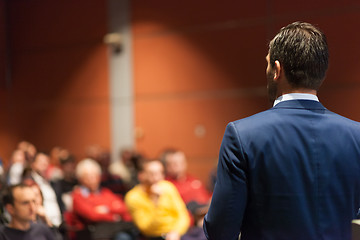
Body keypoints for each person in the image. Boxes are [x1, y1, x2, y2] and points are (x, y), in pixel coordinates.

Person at [203, 21, 360, 240]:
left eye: (267, 64)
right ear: (321, 73)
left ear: (277, 69)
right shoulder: (357, 136)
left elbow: (221, 230)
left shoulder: (242, 135)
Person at [70, 158, 136, 240]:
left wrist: (106, 209)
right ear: (80, 179)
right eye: (87, 176)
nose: (92, 179)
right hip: (92, 233)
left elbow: (123, 208)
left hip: (113, 230)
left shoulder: (106, 192)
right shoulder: (78, 195)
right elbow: (92, 216)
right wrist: (114, 216)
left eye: (94, 175)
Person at [125, 159, 190, 240]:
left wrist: (176, 232)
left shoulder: (168, 187)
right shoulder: (133, 197)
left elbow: (183, 215)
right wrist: (157, 202)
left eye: (160, 173)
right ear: (141, 175)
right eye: (152, 174)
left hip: (177, 234)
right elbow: (147, 228)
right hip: (155, 236)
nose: (157, 177)